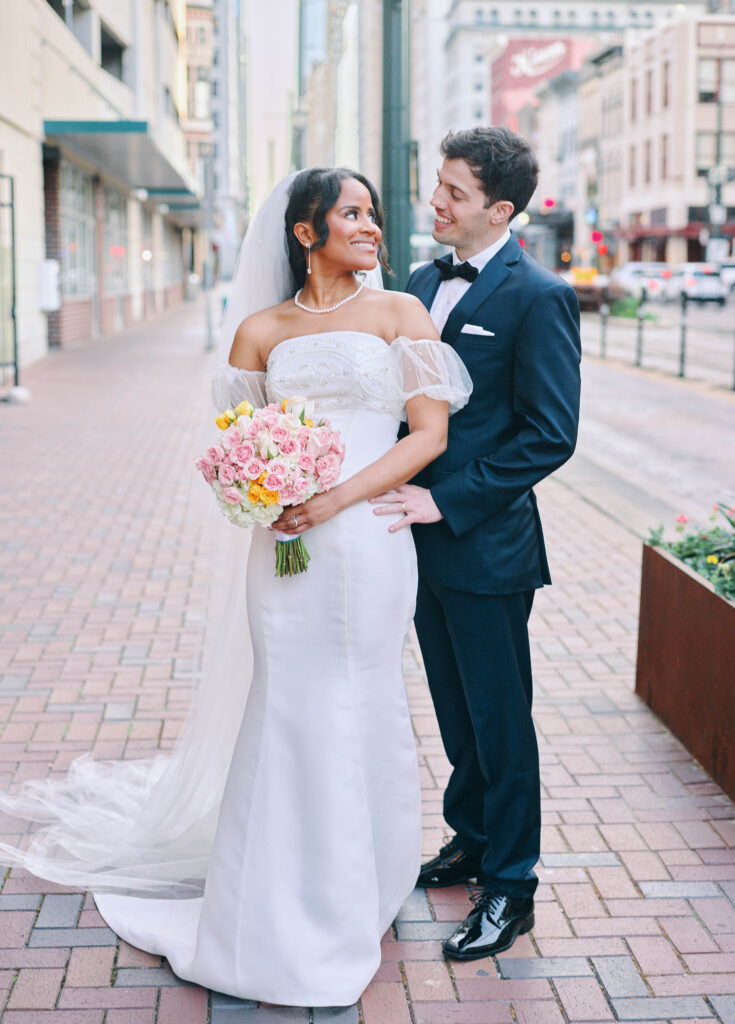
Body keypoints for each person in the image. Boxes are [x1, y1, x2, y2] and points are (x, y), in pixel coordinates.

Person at [0, 168, 471, 1006]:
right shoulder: (258, 330)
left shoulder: (402, 313)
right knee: (288, 699)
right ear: (304, 232)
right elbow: (240, 441)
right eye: (352, 214)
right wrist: (261, 494)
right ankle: (280, 902)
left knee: (362, 693)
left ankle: (367, 875)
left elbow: (427, 435)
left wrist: (334, 497)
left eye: (373, 213)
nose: (372, 227)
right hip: (285, 550)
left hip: (366, 539)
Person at [374, 127, 581, 961]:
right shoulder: (422, 280)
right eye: (438, 187)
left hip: (485, 547)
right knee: (456, 715)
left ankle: (511, 887)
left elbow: (548, 435)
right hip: (413, 542)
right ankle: (470, 838)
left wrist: (445, 500)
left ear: (498, 208)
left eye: (453, 193)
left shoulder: (538, 295)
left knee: (500, 720)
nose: (436, 203)